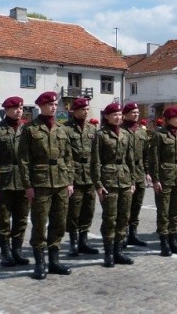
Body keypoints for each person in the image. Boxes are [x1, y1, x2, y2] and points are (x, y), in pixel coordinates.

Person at [19, 91, 74, 280]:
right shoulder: (30, 129)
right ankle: (40, 262)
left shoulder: (62, 129)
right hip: (40, 182)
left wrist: (69, 180)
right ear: (40, 106)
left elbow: (68, 157)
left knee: (59, 222)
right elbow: (24, 160)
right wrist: (28, 185)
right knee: (40, 223)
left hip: (60, 181)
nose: (53, 107)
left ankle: (54, 260)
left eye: (55, 104)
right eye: (49, 104)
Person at [92, 102, 137, 266]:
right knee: (110, 218)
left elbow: (130, 159)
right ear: (106, 116)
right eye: (115, 115)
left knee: (124, 217)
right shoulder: (100, 135)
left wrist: (132, 180)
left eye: (120, 114)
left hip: (125, 179)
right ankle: (109, 253)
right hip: (108, 180)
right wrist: (98, 184)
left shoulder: (126, 134)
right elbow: (95, 161)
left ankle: (119, 251)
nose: (118, 117)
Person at [0, 96, 30, 267]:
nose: (18, 111)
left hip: (23, 180)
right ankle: (5, 252)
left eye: (20, 108)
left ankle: (17, 250)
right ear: (5, 110)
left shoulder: (27, 130)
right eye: (14, 108)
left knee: (21, 219)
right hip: (4, 181)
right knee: (4, 219)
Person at [149, 106, 177, 256]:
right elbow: (154, 159)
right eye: (176, 117)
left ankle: (174, 241)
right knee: (164, 212)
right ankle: (164, 243)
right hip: (165, 178)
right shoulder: (159, 136)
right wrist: (155, 179)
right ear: (167, 119)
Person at [63, 98, 100, 257]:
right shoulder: (65, 129)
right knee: (74, 210)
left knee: (88, 209)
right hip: (75, 173)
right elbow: (64, 155)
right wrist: (68, 179)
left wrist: (98, 178)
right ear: (74, 110)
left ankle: (84, 240)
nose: (86, 112)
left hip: (90, 174)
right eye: (82, 109)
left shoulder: (92, 129)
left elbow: (97, 156)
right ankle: (73, 242)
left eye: (87, 109)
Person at [122, 103, 150, 247]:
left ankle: (133, 233)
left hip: (139, 172)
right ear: (125, 114)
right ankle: (123, 234)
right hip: (124, 171)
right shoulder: (120, 131)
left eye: (137, 112)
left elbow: (146, 154)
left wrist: (147, 172)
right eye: (133, 112)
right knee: (125, 206)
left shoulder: (141, 132)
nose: (136, 114)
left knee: (136, 205)